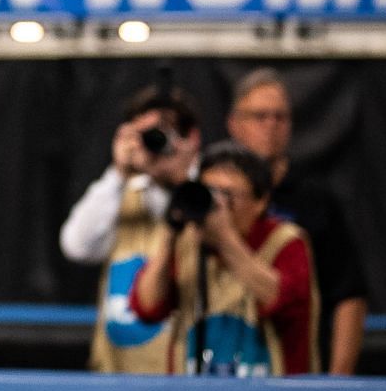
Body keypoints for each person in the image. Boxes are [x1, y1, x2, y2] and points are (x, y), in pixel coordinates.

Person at [131, 142, 319, 376]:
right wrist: (170, 235)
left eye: (228, 194)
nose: (217, 204)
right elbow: (147, 308)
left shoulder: (286, 242)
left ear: (260, 201)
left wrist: (227, 241)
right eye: (209, 192)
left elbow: (285, 304)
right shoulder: (188, 241)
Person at [226, 69, 367, 374]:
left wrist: (338, 379)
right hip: (223, 358)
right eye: (260, 116)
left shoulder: (314, 199)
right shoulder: (211, 196)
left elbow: (348, 294)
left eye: (280, 118)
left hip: (294, 365)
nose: (270, 127)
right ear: (234, 124)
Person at [59, 82, 204, 373]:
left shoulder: (209, 198)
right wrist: (118, 173)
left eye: (161, 135)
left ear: (191, 138)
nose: (153, 144)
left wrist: (179, 180)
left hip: (184, 374)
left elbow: (204, 232)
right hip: (116, 374)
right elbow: (76, 246)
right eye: (145, 135)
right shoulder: (121, 195)